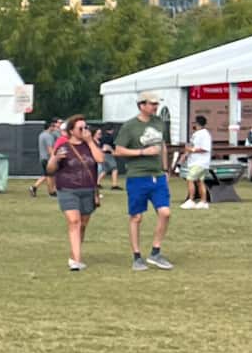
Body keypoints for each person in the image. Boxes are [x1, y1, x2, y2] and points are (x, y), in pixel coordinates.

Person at [114, 95, 174, 271]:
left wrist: (165, 169)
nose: (155, 106)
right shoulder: (130, 126)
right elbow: (118, 150)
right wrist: (142, 152)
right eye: (152, 104)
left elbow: (162, 146)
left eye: (157, 103)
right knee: (136, 217)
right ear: (142, 105)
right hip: (137, 176)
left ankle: (155, 252)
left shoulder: (159, 123)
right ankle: (137, 256)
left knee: (165, 212)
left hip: (158, 176)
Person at [47, 116, 102, 271]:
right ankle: (76, 262)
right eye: (80, 128)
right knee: (74, 221)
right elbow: (50, 170)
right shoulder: (63, 146)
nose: (84, 131)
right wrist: (55, 158)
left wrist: (90, 141)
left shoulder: (90, 145)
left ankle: (74, 255)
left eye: (86, 128)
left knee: (82, 225)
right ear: (71, 131)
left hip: (88, 190)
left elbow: (100, 159)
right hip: (67, 189)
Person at [180, 112, 213, 210]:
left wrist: (192, 150)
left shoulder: (205, 134)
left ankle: (191, 200)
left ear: (197, 123)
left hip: (200, 162)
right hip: (195, 161)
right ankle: (203, 201)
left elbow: (205, 148)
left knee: (190, 179)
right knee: (199, 181)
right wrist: (185, 155)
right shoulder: (196, 134)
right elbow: (192, 146)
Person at [30, 119, 64, 196]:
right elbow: (50, 149)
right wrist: (54, 158)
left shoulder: (41, 134)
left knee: (47, 175)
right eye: (54, 127)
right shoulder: (48, 136)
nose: (55, 129)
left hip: (42, 157)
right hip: (47, 158)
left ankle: (34, 187)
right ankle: (51, 191)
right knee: (49, 175)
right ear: (50, 127)